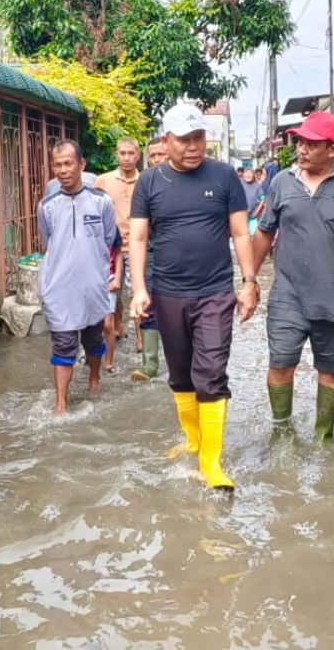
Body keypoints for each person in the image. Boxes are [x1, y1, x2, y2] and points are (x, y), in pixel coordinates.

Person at [129, 105, 259, 490]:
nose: (193, 147)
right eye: (184, 140)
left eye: (198, 138)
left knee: (211, 374)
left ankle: (211, 464)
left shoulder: (223, 176)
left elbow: (240, 233)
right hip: (168, 293)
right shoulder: (150, 183)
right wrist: (139, 288)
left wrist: (249, 282)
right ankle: (193, 439)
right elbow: (137, 238)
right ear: (165, 141)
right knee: (181, 375)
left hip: (216, 293)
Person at [252, 111, 334, 445]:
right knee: (281, 363)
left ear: (333, 149)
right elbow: (265, 233)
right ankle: (282, 432)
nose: (302, 149)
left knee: (332, 371)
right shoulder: (283, 181)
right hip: (288, 295)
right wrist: (249, 278)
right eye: (300, 141)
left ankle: (323, 436)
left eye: (312, 144)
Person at [37, 140, 118, 413]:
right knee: (63, 344)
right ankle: (60, 404)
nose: (63, 170)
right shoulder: (46, 206)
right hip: (59, 289)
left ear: (81, 165)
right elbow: (49, 243)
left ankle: (94, 379)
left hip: (93, 287)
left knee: (93, 339)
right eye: (57, 164)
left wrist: (112, 277)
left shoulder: (102, 202)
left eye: (68, 163)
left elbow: (110, 240)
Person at [95, 137, 141, 371]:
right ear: (116, 154)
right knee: (115, 292)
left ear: (137, 156)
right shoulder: (103, 181)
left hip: (137, 246)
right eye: (122, 153)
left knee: (138, 292)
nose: (126, 157)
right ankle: (118, 326)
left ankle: (140, 338)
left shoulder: (144, 181)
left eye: (130, 153)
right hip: (111, 249)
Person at [130, 136, 166, 382]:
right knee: (148, 309)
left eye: (160, 154)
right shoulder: (145, 184)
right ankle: (150, 365)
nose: (155, 160)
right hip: (151, 257)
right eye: (151, 155)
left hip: (181, 261)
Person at [239, 167, 262, 235]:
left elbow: (263, 199)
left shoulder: (257, 185)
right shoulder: (239, 184)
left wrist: (257, 212)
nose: (248, 175)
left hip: (252, 217)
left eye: (250, 173)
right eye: (247, 172)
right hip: (240, 216)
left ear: (253, 175)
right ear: (243, 174)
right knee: (242, 236)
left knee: (252, 236)